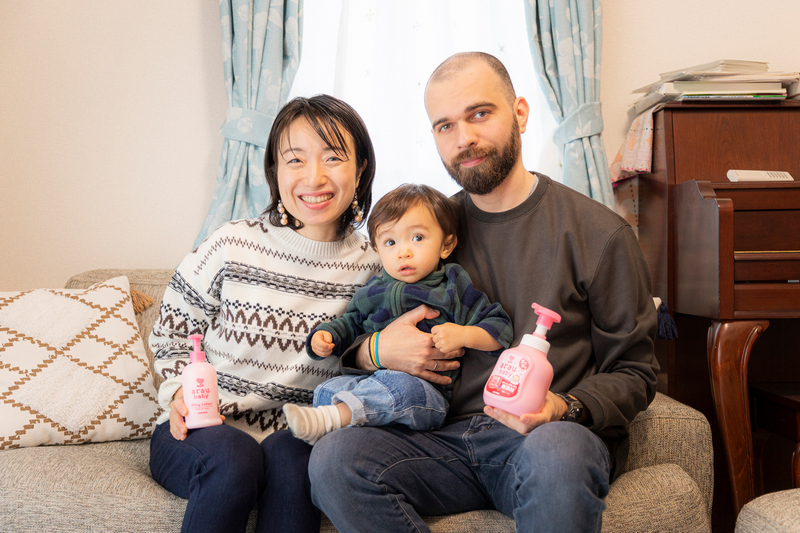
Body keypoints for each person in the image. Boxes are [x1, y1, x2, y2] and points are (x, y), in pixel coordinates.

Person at [308, 52, 660, 532]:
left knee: (559, 448)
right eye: (445, 126)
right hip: (440, 441)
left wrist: (564, 407)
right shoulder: (423, 232)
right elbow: (356, 330)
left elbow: (635, 371)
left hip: (542, 439)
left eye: (479, 114)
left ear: (519, 112)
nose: (464, 138)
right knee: (334, 459)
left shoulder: (600, 234)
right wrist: (374, 350)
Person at [147, 94, 382, 533]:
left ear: (361, 167)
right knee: (236, 457)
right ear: (275, 170)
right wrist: (177, 392)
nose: (314, 177)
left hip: (296, 436)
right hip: (202, 432)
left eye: (333, 157)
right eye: (295, 160)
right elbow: (171, 334)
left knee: (293, 460)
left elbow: (373, 366)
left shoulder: (374, 270)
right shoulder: (232, 244)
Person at [282, 183, 513, 444]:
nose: (404, 252)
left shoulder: (451, 285)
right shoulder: (371, 291)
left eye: (417, 238)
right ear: (378, 251)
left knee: (399, 388)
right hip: (371, 382)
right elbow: (350, 323)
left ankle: (332, 420)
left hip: (425, 395)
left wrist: (464, 334)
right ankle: (328, 431)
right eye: (390, 242)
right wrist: (325, 335)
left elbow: (500, 327)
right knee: (328, 388)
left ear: (446, 245)